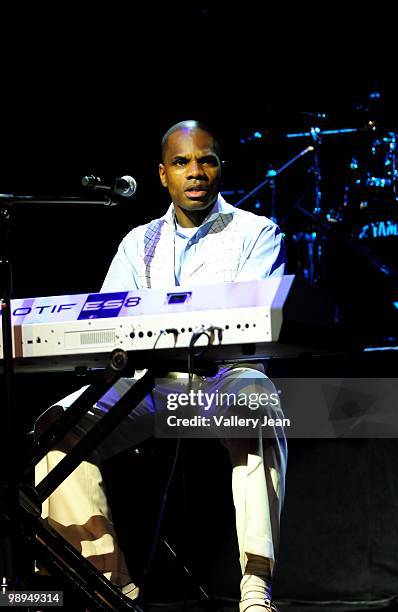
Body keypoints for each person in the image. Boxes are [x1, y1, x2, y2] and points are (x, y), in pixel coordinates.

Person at [35, 120, 287, 612]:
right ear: (162, 175)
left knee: (258, 397)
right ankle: (110, 588)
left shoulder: (257, 233)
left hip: (219, 379)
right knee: (57, 426)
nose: (196, 172)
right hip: (147, 385)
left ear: (219, 168)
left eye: (206, 160)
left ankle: (256, 586)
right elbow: (110, 319)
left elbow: (248, 322)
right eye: (181, 162)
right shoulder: (137, 242)